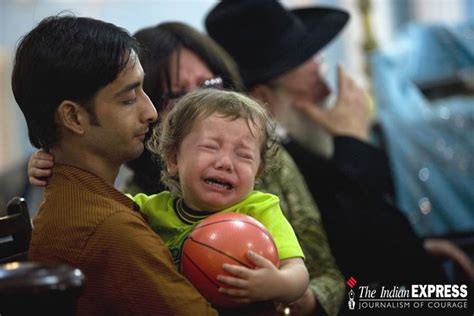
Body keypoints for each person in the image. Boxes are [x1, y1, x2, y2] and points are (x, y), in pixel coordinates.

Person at [29, 21, 346, 316]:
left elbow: (318, 271)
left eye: (209, 83)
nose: (226, 161)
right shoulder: (134, 212)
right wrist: (54, 159)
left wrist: (286, 293)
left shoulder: (262, 198)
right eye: (178, 94)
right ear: (171, 155)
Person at [205, 0, 448, 287]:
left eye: (321, 70)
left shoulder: (312, 149)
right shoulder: (268, 169)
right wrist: (353, 143)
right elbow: (358, 265)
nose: (328, 90)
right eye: (311, 81)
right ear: (263, 100)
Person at [13, 15, 217, 315]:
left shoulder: (77, 200)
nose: (150, 112)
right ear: (73, 118)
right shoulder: (107, 229)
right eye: (128, 99)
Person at [136, 88, 309, 309]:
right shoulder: (150, 210)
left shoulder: (260, 210)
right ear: (172, 159)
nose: (225, 163)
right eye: (210, 147)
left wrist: (276, 284)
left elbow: (299, 274)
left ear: (257, 173)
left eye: (244, 155)